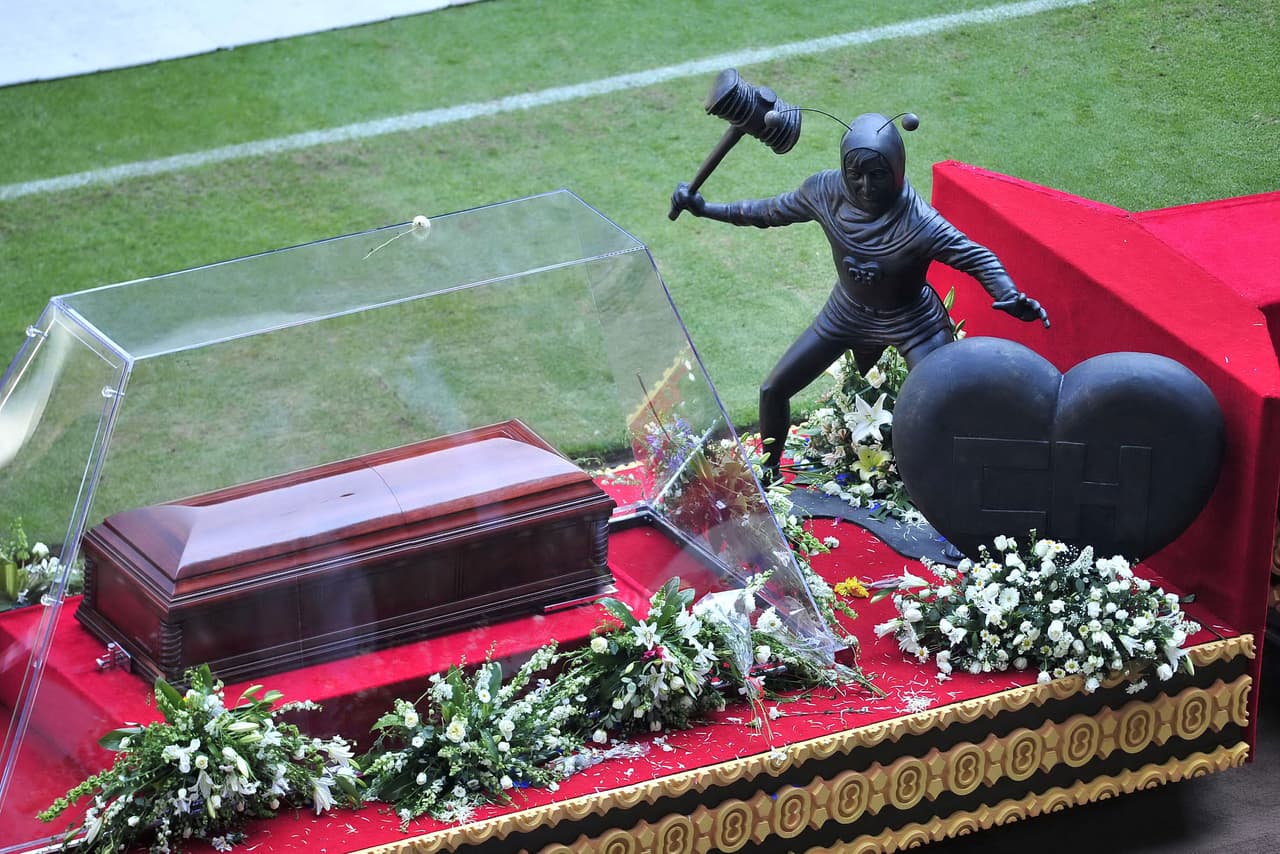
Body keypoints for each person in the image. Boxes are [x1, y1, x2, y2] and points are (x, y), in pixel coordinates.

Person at [670, 111, 1049, 481]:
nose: (866, 186)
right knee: (774, 389)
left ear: (897, 171)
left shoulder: (919, 222)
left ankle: (950, 498)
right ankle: (768, 474)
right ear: (843, 170)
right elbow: (767, 211)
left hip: (913, 321)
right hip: (846, 312)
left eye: (878, 175)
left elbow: (975, 255)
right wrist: (706, 210)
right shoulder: (823, 192)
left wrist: (1008, 293)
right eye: (857, 175)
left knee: (943, 408)